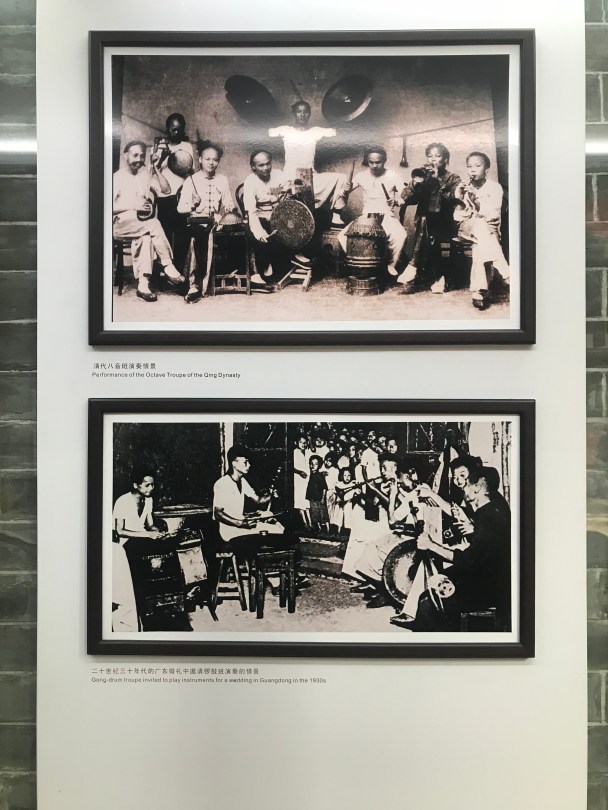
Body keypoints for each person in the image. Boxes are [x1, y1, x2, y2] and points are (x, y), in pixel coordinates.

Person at [407, 466, 512, 632]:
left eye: (466, 485)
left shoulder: (490, 519)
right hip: (487, 580)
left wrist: (431, 545)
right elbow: (481, 551)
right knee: (438, 581)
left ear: (477, 487)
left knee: (427, 602)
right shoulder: (487, 512)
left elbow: (468, 560)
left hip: (490, 590)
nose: (463, 488)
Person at [112, 140, 185, 302]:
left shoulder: (145, 174)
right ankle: (167, 264)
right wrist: (133, 205)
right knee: (154, 224)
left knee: (146, 237)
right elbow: (105, 207)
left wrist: (156, 168)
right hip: (120, 226)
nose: (139, 159)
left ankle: (143, 286)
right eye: (135, 155)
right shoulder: (117, 177)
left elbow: (167, 189)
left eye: (142, 156)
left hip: (140, 226)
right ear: (125, 155)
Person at [268, 100, 348, 223]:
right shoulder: (286, 130)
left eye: (305, 112)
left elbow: (337, 131)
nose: (302, 114)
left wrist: (345, 110)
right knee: (278, 193)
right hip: (290, 178)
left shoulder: (315, 131)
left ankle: (336, 214)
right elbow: (266, 131)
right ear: (294, 113)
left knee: (342, 178)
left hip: (311, 178)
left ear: (310, 114)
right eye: (299, 111)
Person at [177, 140, 236, 302]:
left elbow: (228, 202)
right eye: (207, 159)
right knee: (197, 236)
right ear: (200, 160)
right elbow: (180, 208)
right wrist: (192, 204)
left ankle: (206, 282)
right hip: (195, 222)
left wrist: (229, 207)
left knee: (218, 233)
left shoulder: (222, 179)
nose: (211, 163)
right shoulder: (191, 180)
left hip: (215, 222)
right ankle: (194, 284)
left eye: (215, 159)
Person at [400, 142, 461, 293]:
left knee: (427, 222)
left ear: (445, 159)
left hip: (445, 221)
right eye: (430, 156)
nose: (433, 159)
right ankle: (439, 277)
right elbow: (406, 198)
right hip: (425, 222)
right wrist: (415, 184)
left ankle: (413, 266)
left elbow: (454, 200)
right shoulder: (423, 175)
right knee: (426, 222)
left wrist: (438, 180)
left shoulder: (453, 178)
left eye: (437, 156)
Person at [339, 146, 408, 278]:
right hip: (366, 216)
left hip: (386, 215)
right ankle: (364, 261)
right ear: (367, 161)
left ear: (384, 160)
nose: (374, 165)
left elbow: (404, 197)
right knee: (343, 236)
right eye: (371, 162)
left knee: (400, 236)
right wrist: (345, 190)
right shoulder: (361, 176)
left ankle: (391, 264)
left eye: (378, 162)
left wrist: (396, 201)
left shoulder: (393, 176)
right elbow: (343, 194)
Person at [453, 151, 510, 308]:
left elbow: (494, 216)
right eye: (469, 166)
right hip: (467, 228)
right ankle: (504, 270)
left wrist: (477, 202)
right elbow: (458, 217)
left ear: (487, 169)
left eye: (477, 166)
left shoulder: (495, 187)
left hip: (489, 230)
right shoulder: (463, 188)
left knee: (479, 246)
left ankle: (479, 291)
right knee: (479, 225)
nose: (472, 170)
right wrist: (459, 198)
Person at [112, 466, 166, 631]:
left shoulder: (148, 500)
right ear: (136, 485)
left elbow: (150, 525)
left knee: (168, 549)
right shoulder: (122, 501)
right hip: (125, 544)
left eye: (152, 485)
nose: (151, 488)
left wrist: (158, 532)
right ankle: (140, 606)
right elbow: (120, 531)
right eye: (147, 485)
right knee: (142, 574)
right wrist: (147, 535)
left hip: (142, 541)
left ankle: (160, 605)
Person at [212, 444, 285, 557]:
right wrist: (240, 523)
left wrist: (271, 494)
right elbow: (218, 513)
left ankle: (264, 562)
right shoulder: (222, 483)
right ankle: (261, 562)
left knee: (279, 528)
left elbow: (259, 500)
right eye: (245, 462)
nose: (249, 465)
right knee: (275, 531)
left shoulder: (243, 481)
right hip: (230, 531)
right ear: (234, 463)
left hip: (242, 525)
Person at [155, 113, 195, 273]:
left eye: (180, 129)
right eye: (173, 130)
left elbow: (191, 171)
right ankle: (165, 272)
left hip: (182, 197)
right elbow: (152, 170)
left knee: (182, 235)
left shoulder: (187, 146)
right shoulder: (159, 145)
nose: (176, 133)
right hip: (164, 196)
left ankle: (178, 271)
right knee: (164, 235)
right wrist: (162, 157)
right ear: (167, 129)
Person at [241, 149, 289, 284]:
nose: (266, 168)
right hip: (259, 217)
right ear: (253, 167)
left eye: (268, 163)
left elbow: (287, 197)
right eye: (261, 165)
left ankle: (287, 263)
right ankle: (263, 269)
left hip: (279, 215)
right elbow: (251, 211)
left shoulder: (279, 175)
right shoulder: (250, 181)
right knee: (259, 236)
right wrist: (259, 231)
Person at [306, 454, 329, 533]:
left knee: (323, 514)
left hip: (319, 498)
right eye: (311, 464)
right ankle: (319, 528)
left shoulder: (320, 476)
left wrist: (323, 498)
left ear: (319, 465)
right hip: (312, 498)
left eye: (315, 464)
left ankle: (328, 529)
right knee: (315, 514)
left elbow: (324, 488)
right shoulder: (311, 475)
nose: (313, 466)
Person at [293, 435, 311, 527]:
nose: (303, 444)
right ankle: (305, 524)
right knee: (299, 501)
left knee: (306, 501)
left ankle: (310, 523)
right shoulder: (294, 452)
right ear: (296, 443)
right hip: (298, 480)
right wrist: (299, 472)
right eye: (300, 442)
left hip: (307, 480)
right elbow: (291, 467)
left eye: (305, 442)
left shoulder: (308, 452)